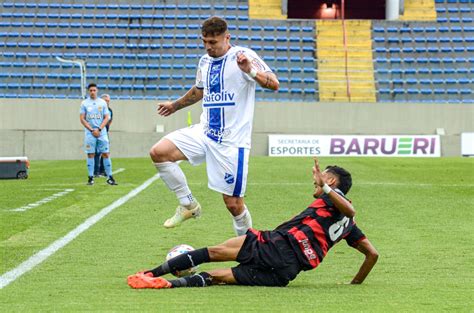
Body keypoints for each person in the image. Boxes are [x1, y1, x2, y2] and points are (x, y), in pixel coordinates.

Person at [127, 158, 379, 289]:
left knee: (213, 253)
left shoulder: (335, 201)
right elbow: (372, 254)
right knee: (216, 277)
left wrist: (324, 188)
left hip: (278, 246)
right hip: (287, 272)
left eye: (323, 177)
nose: (316, 180)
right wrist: (355, 283)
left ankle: (150, 274)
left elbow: (349, 207)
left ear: (332, 182)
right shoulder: (349, 226)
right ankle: (167, 284)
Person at [149, 16, 280, 234]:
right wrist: (175, 106)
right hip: (205, 131)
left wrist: (250, 71)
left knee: (233, 204)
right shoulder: (205, 62)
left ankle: (248, 250)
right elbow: (199, 91)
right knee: (159, 152)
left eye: (213, 42)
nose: (208, 47)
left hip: (231, 141)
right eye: (205, 42)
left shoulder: (243, 56)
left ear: (226, 38)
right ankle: (188, 205)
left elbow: (274, 84)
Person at [79, 84, 117, 186]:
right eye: (90, 90)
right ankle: (91, 177)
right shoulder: (84, 103)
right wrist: (92, 130)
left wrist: (99, 129)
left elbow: (106, 117)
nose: (92, 92)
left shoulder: (102, 103)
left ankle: (109, 177)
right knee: (90, 154)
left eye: (94, 90)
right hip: (90, 133)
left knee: (106, 153)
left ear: (97, 91)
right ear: (88, 91)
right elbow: (82, 119)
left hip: (102, 133)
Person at [94, 94, 113, 177]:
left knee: (105, 152)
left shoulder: (110, 110)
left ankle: (102, 170)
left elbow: (110, 121)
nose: (107, 102)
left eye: (108, 101)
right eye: (106, 100)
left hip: (105, 133)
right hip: (98, 133)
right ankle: (96, 171)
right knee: (97, 153)